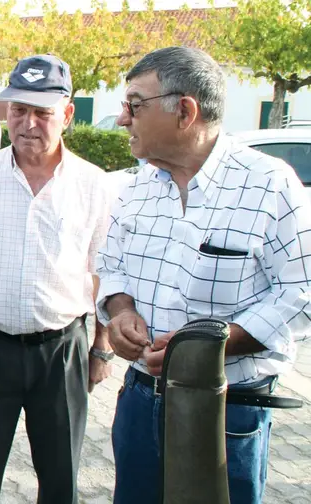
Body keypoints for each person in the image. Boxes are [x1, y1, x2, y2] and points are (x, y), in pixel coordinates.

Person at [95, 46, 311, 504]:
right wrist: (121, 312)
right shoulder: (135, 190)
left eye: (134, 105)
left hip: (225, 410)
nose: (121, 119)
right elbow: (111, 268)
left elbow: (302, 292)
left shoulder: (270, 185)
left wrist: (202, 350)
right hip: (139, 399)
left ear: (185, 111)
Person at [0, 54, 116, 504]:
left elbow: (106, 269)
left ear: (67, 115)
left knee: (60, 476)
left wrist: (102, 345)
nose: (28, 123)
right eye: (18, 110)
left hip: (62, 351)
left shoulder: (94, 185)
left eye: (42, 112)